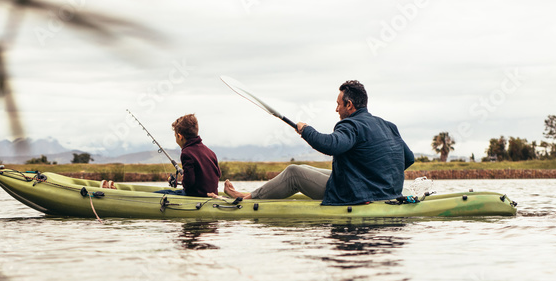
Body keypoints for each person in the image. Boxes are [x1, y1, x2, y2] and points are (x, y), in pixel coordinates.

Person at [222, 81, 415, 205]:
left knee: (294, 172)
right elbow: (408, 159)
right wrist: (376, 176)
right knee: (306, 167)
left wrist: (306, 130)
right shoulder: (388, 125)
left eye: (339, 104)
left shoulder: (351, 125)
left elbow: (330, 145)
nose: (336, 109)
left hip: (357, 195)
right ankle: (255, 192)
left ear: (349, 105)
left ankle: (244, 199)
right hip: (387, 192)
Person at [169, 113, 220, 197]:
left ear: (180, 136)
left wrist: (184, 179)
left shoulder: (186, 153)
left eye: (175, 136)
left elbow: (188, 183)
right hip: (212, 194)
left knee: (161, 193)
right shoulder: (210, 152)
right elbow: (218, 174)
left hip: (196, 196)